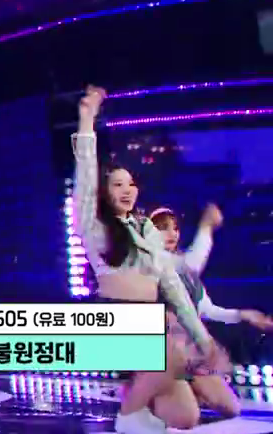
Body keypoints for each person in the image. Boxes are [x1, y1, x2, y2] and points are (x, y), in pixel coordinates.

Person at [70, 86, 226, 433]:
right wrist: (87, 118)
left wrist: (203, 338)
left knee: (186, 417)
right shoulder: (96, 227)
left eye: (131, 184)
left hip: (151, 322)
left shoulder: (147, 230)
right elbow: (85, 171)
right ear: (103, 193)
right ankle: (129, 411)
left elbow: (173, 288)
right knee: (175, 359)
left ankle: (137, 402)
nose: (127, 190)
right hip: (117, 321)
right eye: (117, 185)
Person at [148, 204, 272, 419]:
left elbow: (207, 310)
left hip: (190, 347)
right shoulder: (153, 263)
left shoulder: (187, 274)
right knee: (186, 416)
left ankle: (188, 390)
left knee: (231, 408)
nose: (172, 233)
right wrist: (206, 227)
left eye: (175, 228)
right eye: (163, 228)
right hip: (163, 348)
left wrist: (243, 315)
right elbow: (192, 264)